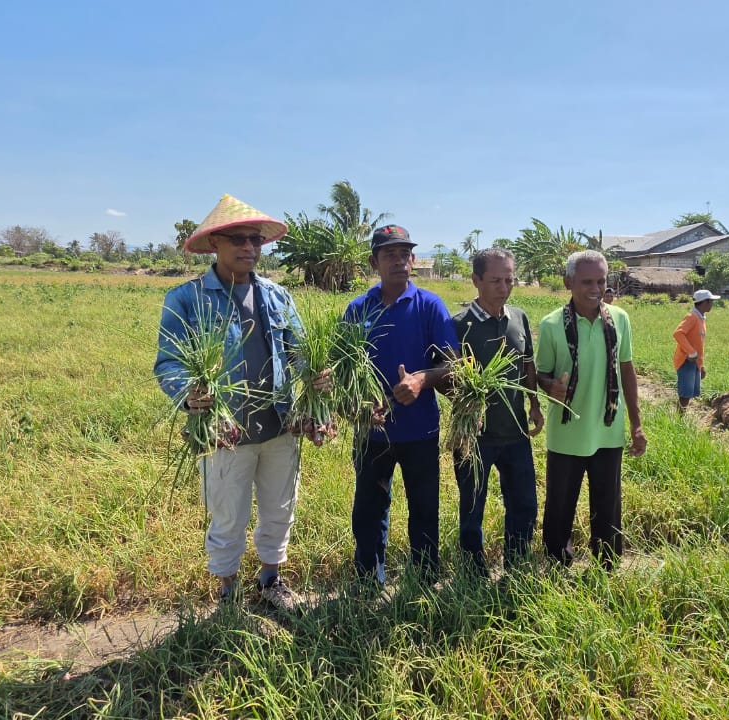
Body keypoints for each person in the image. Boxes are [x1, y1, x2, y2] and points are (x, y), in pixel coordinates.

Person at [154, 194, 329, 611]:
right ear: (215, 243)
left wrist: (317, 374)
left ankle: (271, 580)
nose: (249, 247)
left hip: (280, 424)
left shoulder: (277, 296)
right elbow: (168, 363)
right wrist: (189, 393)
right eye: (238, 239)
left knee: (280, 507)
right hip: (224, 430)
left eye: (255, 240)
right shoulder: (187, 299)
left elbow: (299, 351)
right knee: (228, 514)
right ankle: (228, 590)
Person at [344, 224, 458, 586]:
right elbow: (343, 369)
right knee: (368, 509)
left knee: (424, 508)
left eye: (405, 254)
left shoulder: (429, 306)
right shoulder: (358, 309)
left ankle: (424, 580)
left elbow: (453, 365)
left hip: (420, 430)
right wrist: (360, 404)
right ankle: (368, 581)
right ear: (373, 262)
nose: (399, 261)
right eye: (389, 254)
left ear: (413, 259)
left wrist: (422, 379)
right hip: (372, 432)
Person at [536, 250, 647, 571]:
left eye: (601, 281)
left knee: (607, 504)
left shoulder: (619, 319)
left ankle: (606, 566)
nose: (596, 288)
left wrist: (636, 424)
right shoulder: (551, 324)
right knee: (560, 504)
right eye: (587, 282)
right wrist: (549, 385)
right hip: (566, 433)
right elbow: (541, 373)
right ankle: (557, 563)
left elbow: (626, 370)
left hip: (607, 431)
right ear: (568, 282)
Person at [450, 249, 545, 576]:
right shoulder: (459, 325)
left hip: (515, 432)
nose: (504, 288)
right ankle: (472, 571)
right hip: (474, 437)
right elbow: (447, 376)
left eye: (509, 280)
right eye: (495, 281)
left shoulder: (518, 318)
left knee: (524, 504)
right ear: (476, 280)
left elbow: (527, 363)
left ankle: (516, 566)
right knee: (472, 506)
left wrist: (534, 404)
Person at [673, 289, 720, 411]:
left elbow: (699, 344)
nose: (712, 304)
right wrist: (691, 352)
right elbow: (678, 333)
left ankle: (680, 414)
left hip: (694, 361)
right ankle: (679, 417)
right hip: (686, 361)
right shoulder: (692, 317)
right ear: (705, 302)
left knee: (689, 393)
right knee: (685, 393)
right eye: (711, 301)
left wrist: (701, 365)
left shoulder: (701, 318)